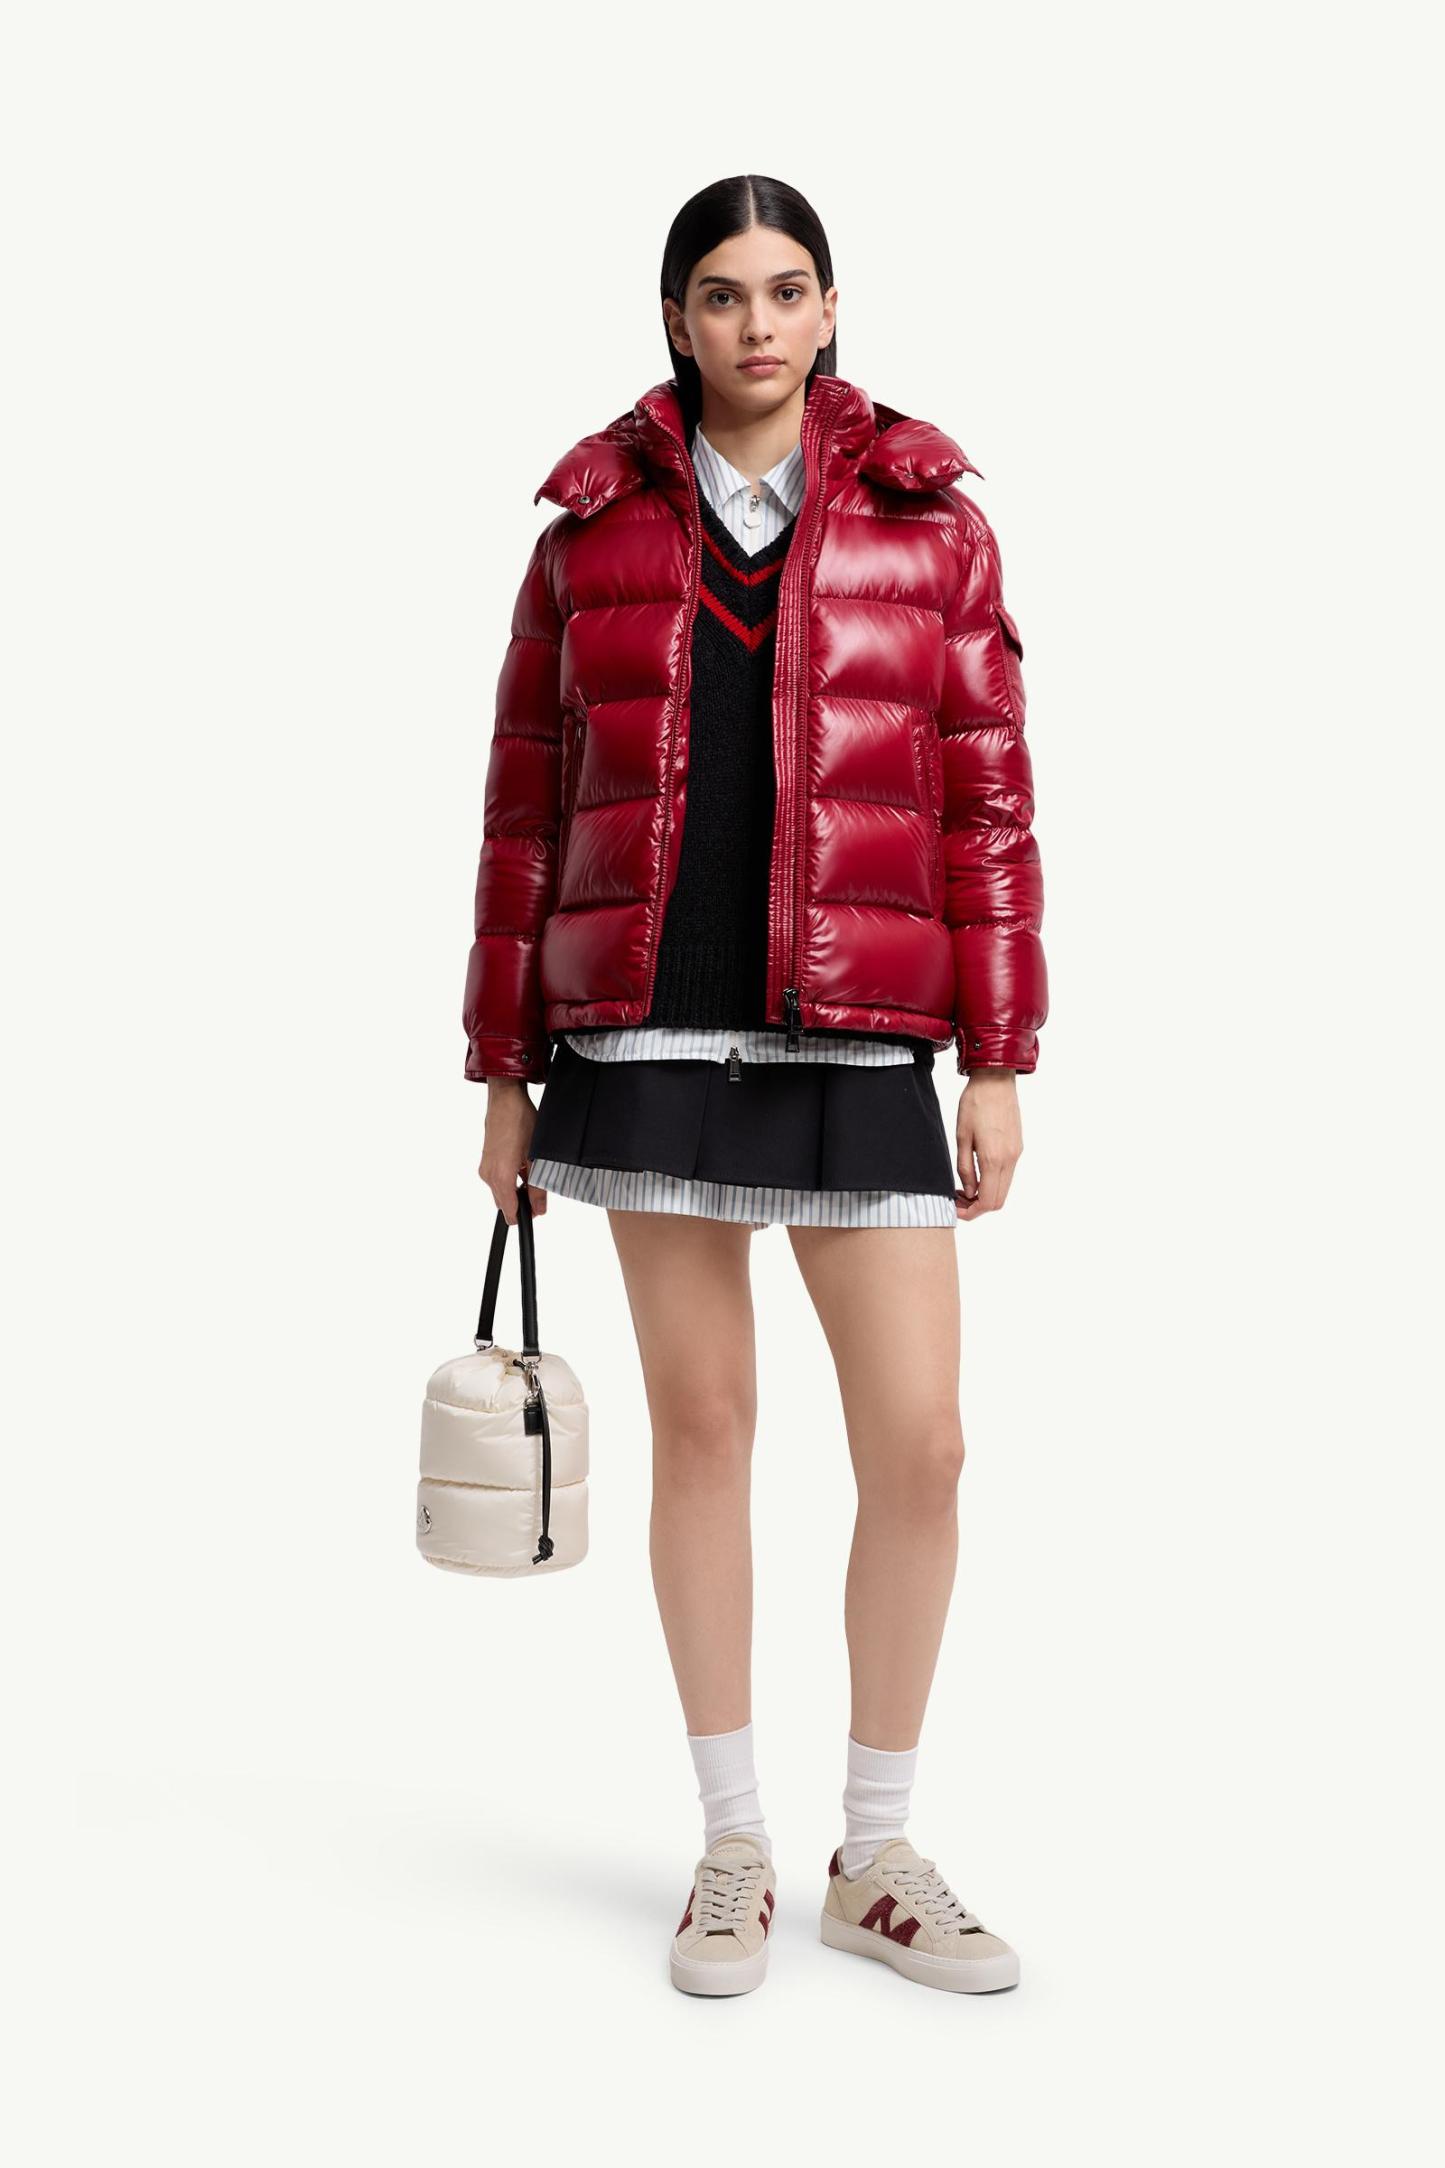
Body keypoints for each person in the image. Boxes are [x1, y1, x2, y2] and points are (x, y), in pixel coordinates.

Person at [461, 174, 1048, 1997]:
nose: (757, 325)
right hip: (642, 1032)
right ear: (676, 320)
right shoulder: (585, 533)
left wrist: (1000, 1057)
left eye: (787, 290)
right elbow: (521, 811)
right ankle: (731, 1845)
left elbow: (987, 801)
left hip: (861, 1032)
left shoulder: (931, 527)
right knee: (704, 1430)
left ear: (830, 306)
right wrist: (503, 1074)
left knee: (924, 1445)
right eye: (721, 295)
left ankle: (877, 1852)